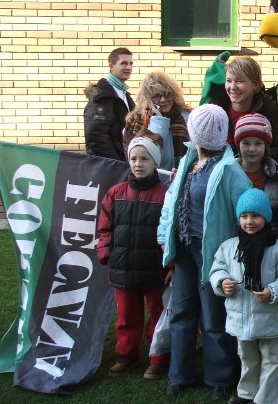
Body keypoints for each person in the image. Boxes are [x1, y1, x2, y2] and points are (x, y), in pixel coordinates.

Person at [157, 104, 252, 400]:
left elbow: (246, 216)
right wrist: (164, 238)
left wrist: (238, 256)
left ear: (194, 132)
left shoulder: (230, 171)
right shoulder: (187, 163)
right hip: (184, 252)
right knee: (181, 314)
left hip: (213, 255)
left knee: (214, 319)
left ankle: (220, 377)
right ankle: (179, 374)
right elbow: (170, 204)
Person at [210, 188, 278, 404]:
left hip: (268, 315)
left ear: (266, 217)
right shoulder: (229, 247)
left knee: (271, 359)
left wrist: (273, 291)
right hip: (240, 317)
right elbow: (217, 269)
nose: (249, 221)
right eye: (244, 216)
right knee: (247, 357)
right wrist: (222, 282)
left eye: (255, 216)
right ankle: (247, 393)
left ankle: (269, 398)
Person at [96, 132, 170, 380]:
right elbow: (104, 227)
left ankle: (159, 358)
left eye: (145, 159)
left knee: (158, 316)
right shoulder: (115, 193)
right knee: (127, 316)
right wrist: (106, 252)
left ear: (155, 162)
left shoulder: (165, 195)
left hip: (155, 269)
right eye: (134, 159)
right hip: (123, 267)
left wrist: (170, 263)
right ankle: (126, 355)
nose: (138, 164)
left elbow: (170, 232)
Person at [201, 53, 278, 158]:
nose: (232, 87)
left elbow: (276, 149)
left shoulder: (269, 110)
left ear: (255, 84)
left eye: (240, 81)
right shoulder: (216, 109)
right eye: (229, 81)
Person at [123, 71, 191, 184]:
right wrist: (158, 119)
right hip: (147, 185)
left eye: (167, 94)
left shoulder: (185, 119)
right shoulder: (136, 122)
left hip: (176, 184)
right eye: (157, 96)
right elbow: (154, 156)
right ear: (147, 99)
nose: (163, 99)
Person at [234, 113, 278, 232]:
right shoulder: (227, 175)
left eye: (258, 143)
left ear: (266, 146)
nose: (252, 149)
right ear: (238, 145)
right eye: (246, 143)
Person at [84, 47, 135, 160]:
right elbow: (96, 140)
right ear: (112, 66)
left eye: (131, 64)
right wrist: (117, 163)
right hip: (110, 166)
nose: (128, 67)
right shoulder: (101, 97)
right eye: (124, 63)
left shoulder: (125, 95)